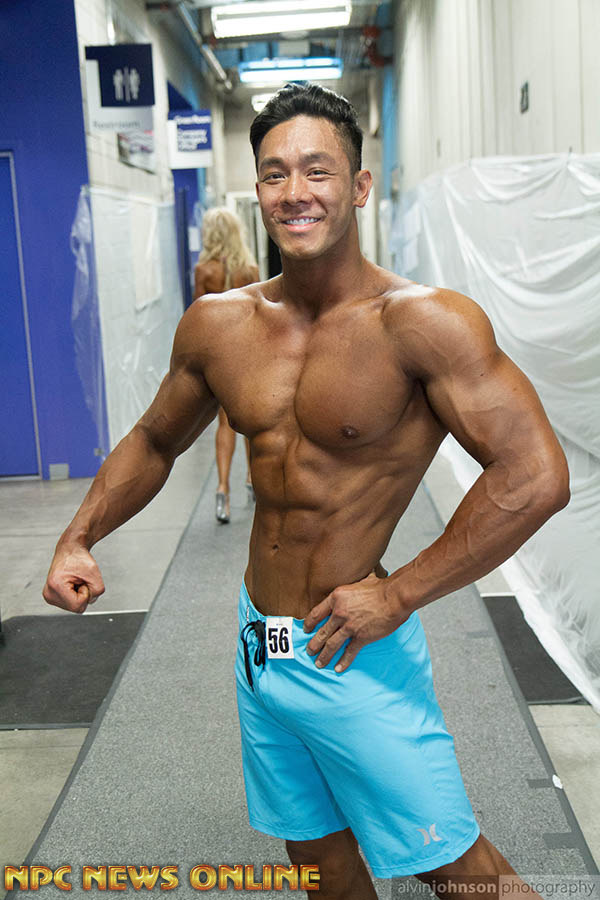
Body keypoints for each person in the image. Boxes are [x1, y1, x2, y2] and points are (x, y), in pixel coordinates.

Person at [43, 82, 570, 899]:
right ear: (256, 189)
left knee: (461, 875)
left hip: (352, 646)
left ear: (358, 186)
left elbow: (535, 475)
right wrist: (79, 536)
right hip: (262, 644)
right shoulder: (219, 324)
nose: (295, 192)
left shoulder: (423, 323)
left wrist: (399, 594)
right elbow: (153, 439)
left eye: (317, 171)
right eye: (274, 173)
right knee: (318, 861)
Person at [193, 207, 259, 523]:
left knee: (224, 423)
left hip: (218, 354)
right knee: (250, 422)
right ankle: (252, 479)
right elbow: (261, 314)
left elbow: (198, 316)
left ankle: (222, 490)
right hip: (247, 352)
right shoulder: (250, 270)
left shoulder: (203, 271)